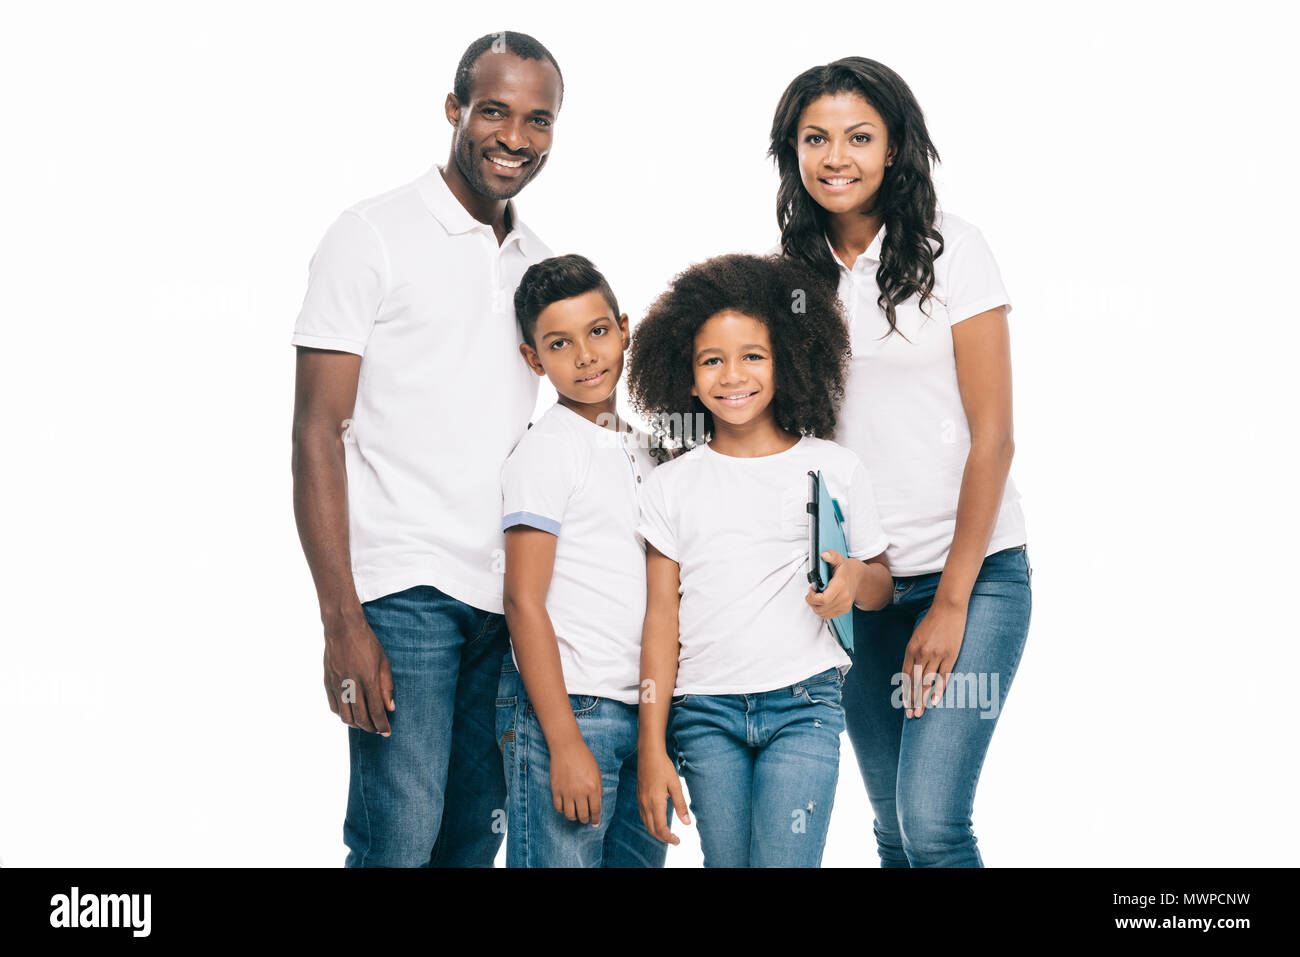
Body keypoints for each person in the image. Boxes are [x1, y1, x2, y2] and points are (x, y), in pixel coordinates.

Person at [289, 31, 562, 867]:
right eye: (493, 111)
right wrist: (343, 621)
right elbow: (314, 434)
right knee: (397, 842)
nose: (514, 136)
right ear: (454, 110)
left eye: (538, 119)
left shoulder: (540, 265)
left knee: (468, 845)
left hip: (504, 600)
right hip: (402, 593)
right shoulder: (370, 234)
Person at [769, 56, 1032, 867]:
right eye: (815, 138)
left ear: (894, 148)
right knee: (890, 829)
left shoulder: (955, 248)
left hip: (974, 573)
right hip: (863, 587)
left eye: (858, 136)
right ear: (793, 152)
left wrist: (951, 601)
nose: (835, 157)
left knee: (933, 824)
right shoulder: (791, 277)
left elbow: (994, 437)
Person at [626, 253, 892, 867]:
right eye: (711, 360)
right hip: (702, 713)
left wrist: (853, 578)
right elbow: (660, 621)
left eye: (752, 356)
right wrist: (650, 746)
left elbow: (883, 584)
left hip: (806, 705)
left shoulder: (835, 466)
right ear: (686, 378)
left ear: (787, 362)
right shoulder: (669, 486)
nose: (732, 375)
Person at [496, 254, 668, 868]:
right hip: (570, 710)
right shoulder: (547, 451)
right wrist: (564, 742)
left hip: (642, 714)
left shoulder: (648, 449)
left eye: (598, 332)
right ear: (534, 361)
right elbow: (522, 600)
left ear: (623, 328)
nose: (587, 355)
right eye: (560, 344)